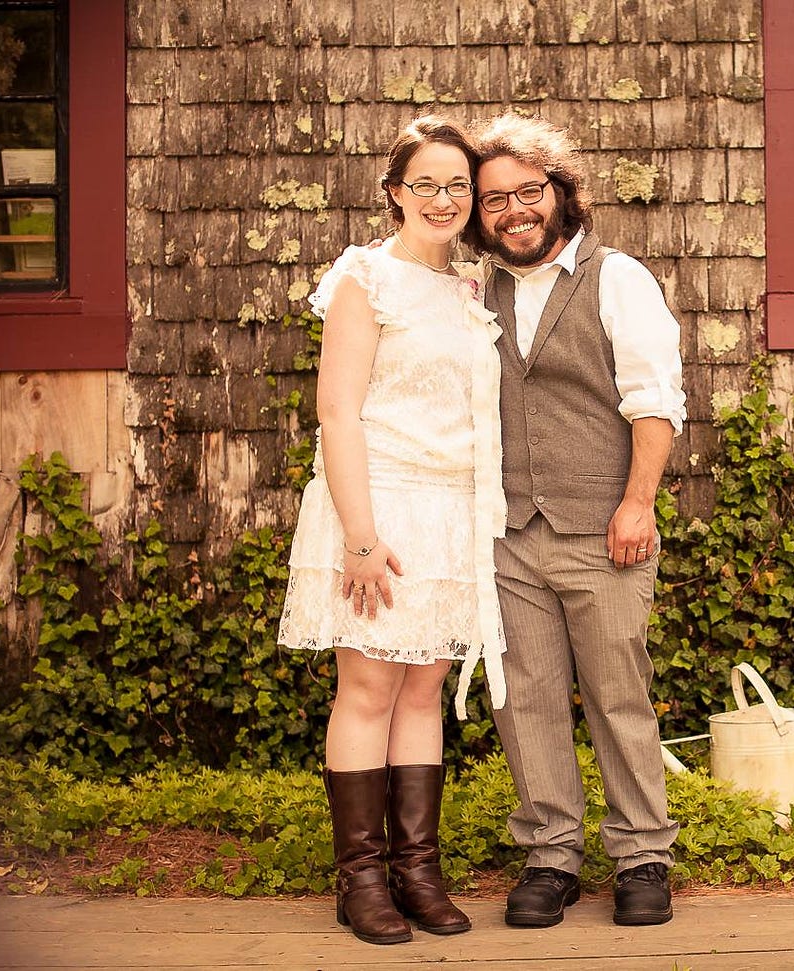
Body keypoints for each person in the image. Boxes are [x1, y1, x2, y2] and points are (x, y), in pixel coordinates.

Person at [277, 115, 507, 946]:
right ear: (394, 194)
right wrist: (361, 536)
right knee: (367, 691)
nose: (444, 200)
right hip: (379, 503)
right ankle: (362, 878)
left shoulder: (477, 286)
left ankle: (418, 870)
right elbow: (337, 413)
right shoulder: (364, 278)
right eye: (426, 185)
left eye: (457, 186)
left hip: (453, 513)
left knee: (424, 693)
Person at [460, 114, 686, 928]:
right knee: (525, 697)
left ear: (560, 193)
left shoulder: (617, 277)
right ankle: (552, 852)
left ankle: (641, 852)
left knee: (619, 691)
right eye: (495, 200)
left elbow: (655, 399)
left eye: (529, 191)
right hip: (508, 528)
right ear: (479, 214)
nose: (514, 210)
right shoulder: (472, 291)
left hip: (603, 524)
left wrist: (638, 501)